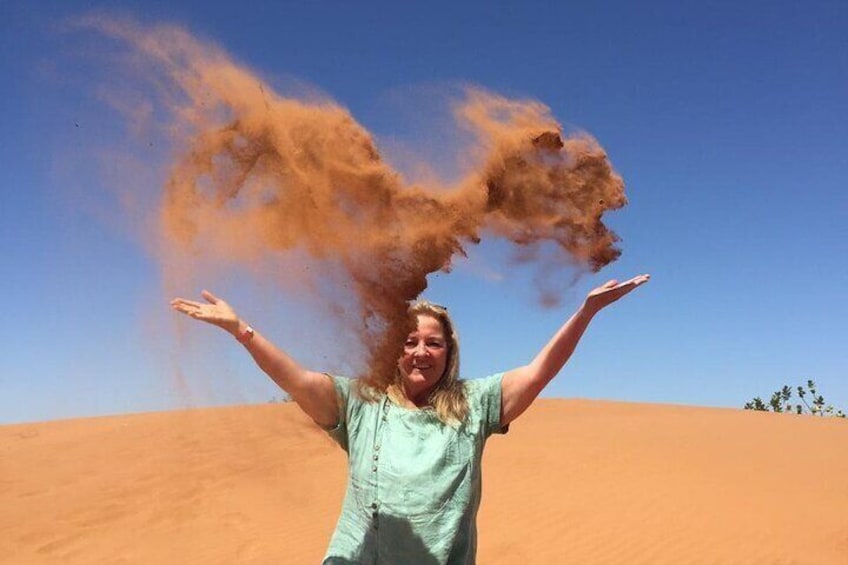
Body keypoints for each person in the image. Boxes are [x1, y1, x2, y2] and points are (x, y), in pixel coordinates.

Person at [171, 274, 650, 563]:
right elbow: (296, 379)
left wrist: (586, 313)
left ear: (449, 352)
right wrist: (242, 331)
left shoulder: (474, 404)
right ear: (393, 351)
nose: (421, 352)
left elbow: (538, 371)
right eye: (410, 341)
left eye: (433, 343)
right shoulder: (360, 404)